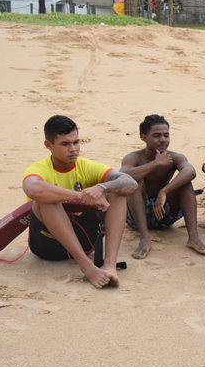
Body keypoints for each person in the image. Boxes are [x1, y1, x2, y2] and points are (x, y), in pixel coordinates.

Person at [22, 115, 138, 288]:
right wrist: (79, 195)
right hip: (47, 245)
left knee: (117, 192)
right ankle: (87, 267)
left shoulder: (85, 166)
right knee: (46, 198)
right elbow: (32, 189)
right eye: (65, 144)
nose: (73, 149)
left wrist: (101, 188)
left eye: (76, 142)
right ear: (48, 145)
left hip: (85, 241)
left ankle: (110, 264)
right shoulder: (40, 168)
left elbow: (130, 183)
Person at [120, 115, 205, 259]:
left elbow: (190, 171)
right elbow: (122, 176)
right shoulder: (134, 157)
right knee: (135, 181)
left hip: (163, 213)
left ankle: (193, 237)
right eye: (157, 136)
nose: (163, 140)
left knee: (185, 183)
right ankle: (145, 238)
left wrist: (164, 191)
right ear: (144, 138)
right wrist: (155, 163)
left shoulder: (175, 157)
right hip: (136, 218)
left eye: (166, 135)